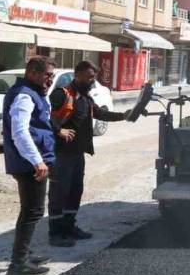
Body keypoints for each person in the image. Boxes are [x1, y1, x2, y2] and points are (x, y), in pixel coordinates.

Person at [48, 61, 132, 247]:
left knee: (75, 191)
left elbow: (99, 113)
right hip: (61, 154)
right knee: (58, 193)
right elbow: (46, 117)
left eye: (94, 76)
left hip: (78, 154)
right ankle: (55, 233)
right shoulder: (62, 94)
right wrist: (59, 130)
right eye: (89, 76)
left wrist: (123, 115)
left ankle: (69, 227)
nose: (92, 80)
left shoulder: (85, 97)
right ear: (77, 75)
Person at [1, 56, 57, 275]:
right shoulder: (24, 95)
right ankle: (19, 263)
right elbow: (20, 132)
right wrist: (37, 160)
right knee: (33, 211)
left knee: (30, 210)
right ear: (32, 72)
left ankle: (24, 253)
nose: (50, 80)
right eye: (47, 75)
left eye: (52, 75)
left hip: (30, 162)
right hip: (29, 164)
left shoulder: (33, 92)